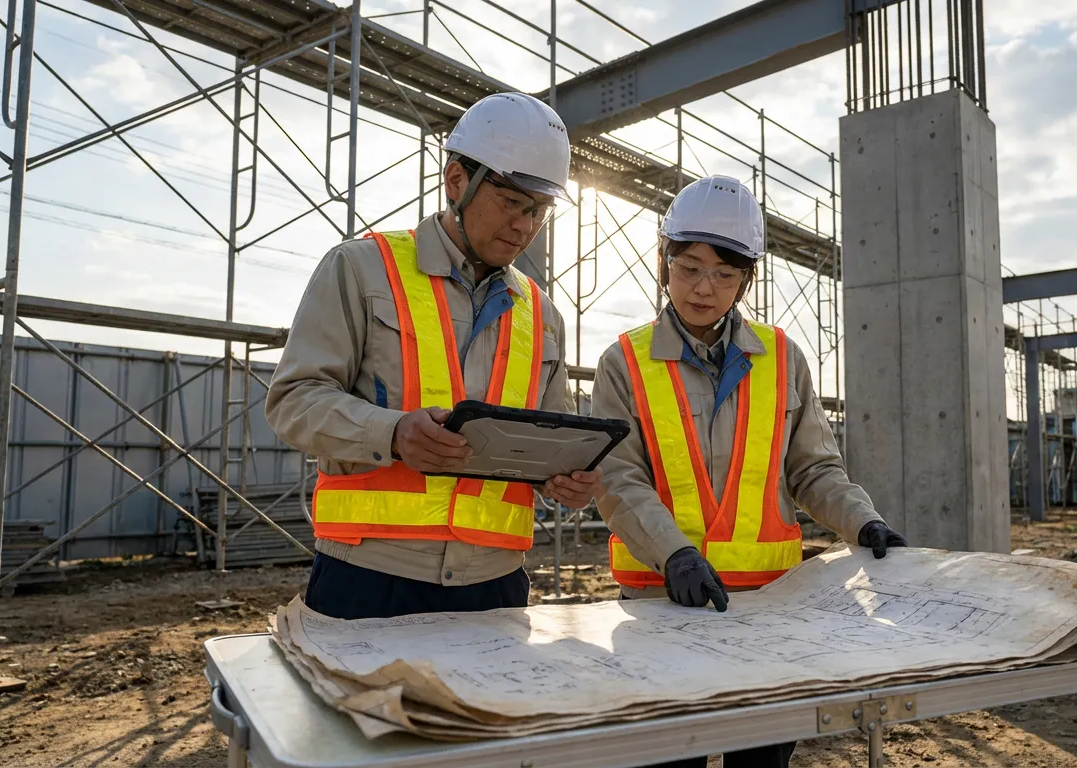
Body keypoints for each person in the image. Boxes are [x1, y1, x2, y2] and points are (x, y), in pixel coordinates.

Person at [590, 175, 908, 768]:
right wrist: (674, 554)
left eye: (723, 275)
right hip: (661, 603)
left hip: (767, 611)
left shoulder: (782, 357)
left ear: (747, 280)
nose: (703, 289)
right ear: (665, 264)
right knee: (666, 758)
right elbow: (617, 478)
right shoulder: (624, 362)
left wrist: (864, 523)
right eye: (688, 268)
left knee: (760, 761)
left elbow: (814, 469)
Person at [266, 92, 600, 621]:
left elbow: (539, 445)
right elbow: (293, 401)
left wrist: (563, 479)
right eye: (512, 201)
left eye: (538, 210)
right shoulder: (360, 269)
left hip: (494, 584)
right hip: (368, 576)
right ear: (457, 181)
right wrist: (392, 432)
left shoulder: (542, 314)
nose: (524, 225)